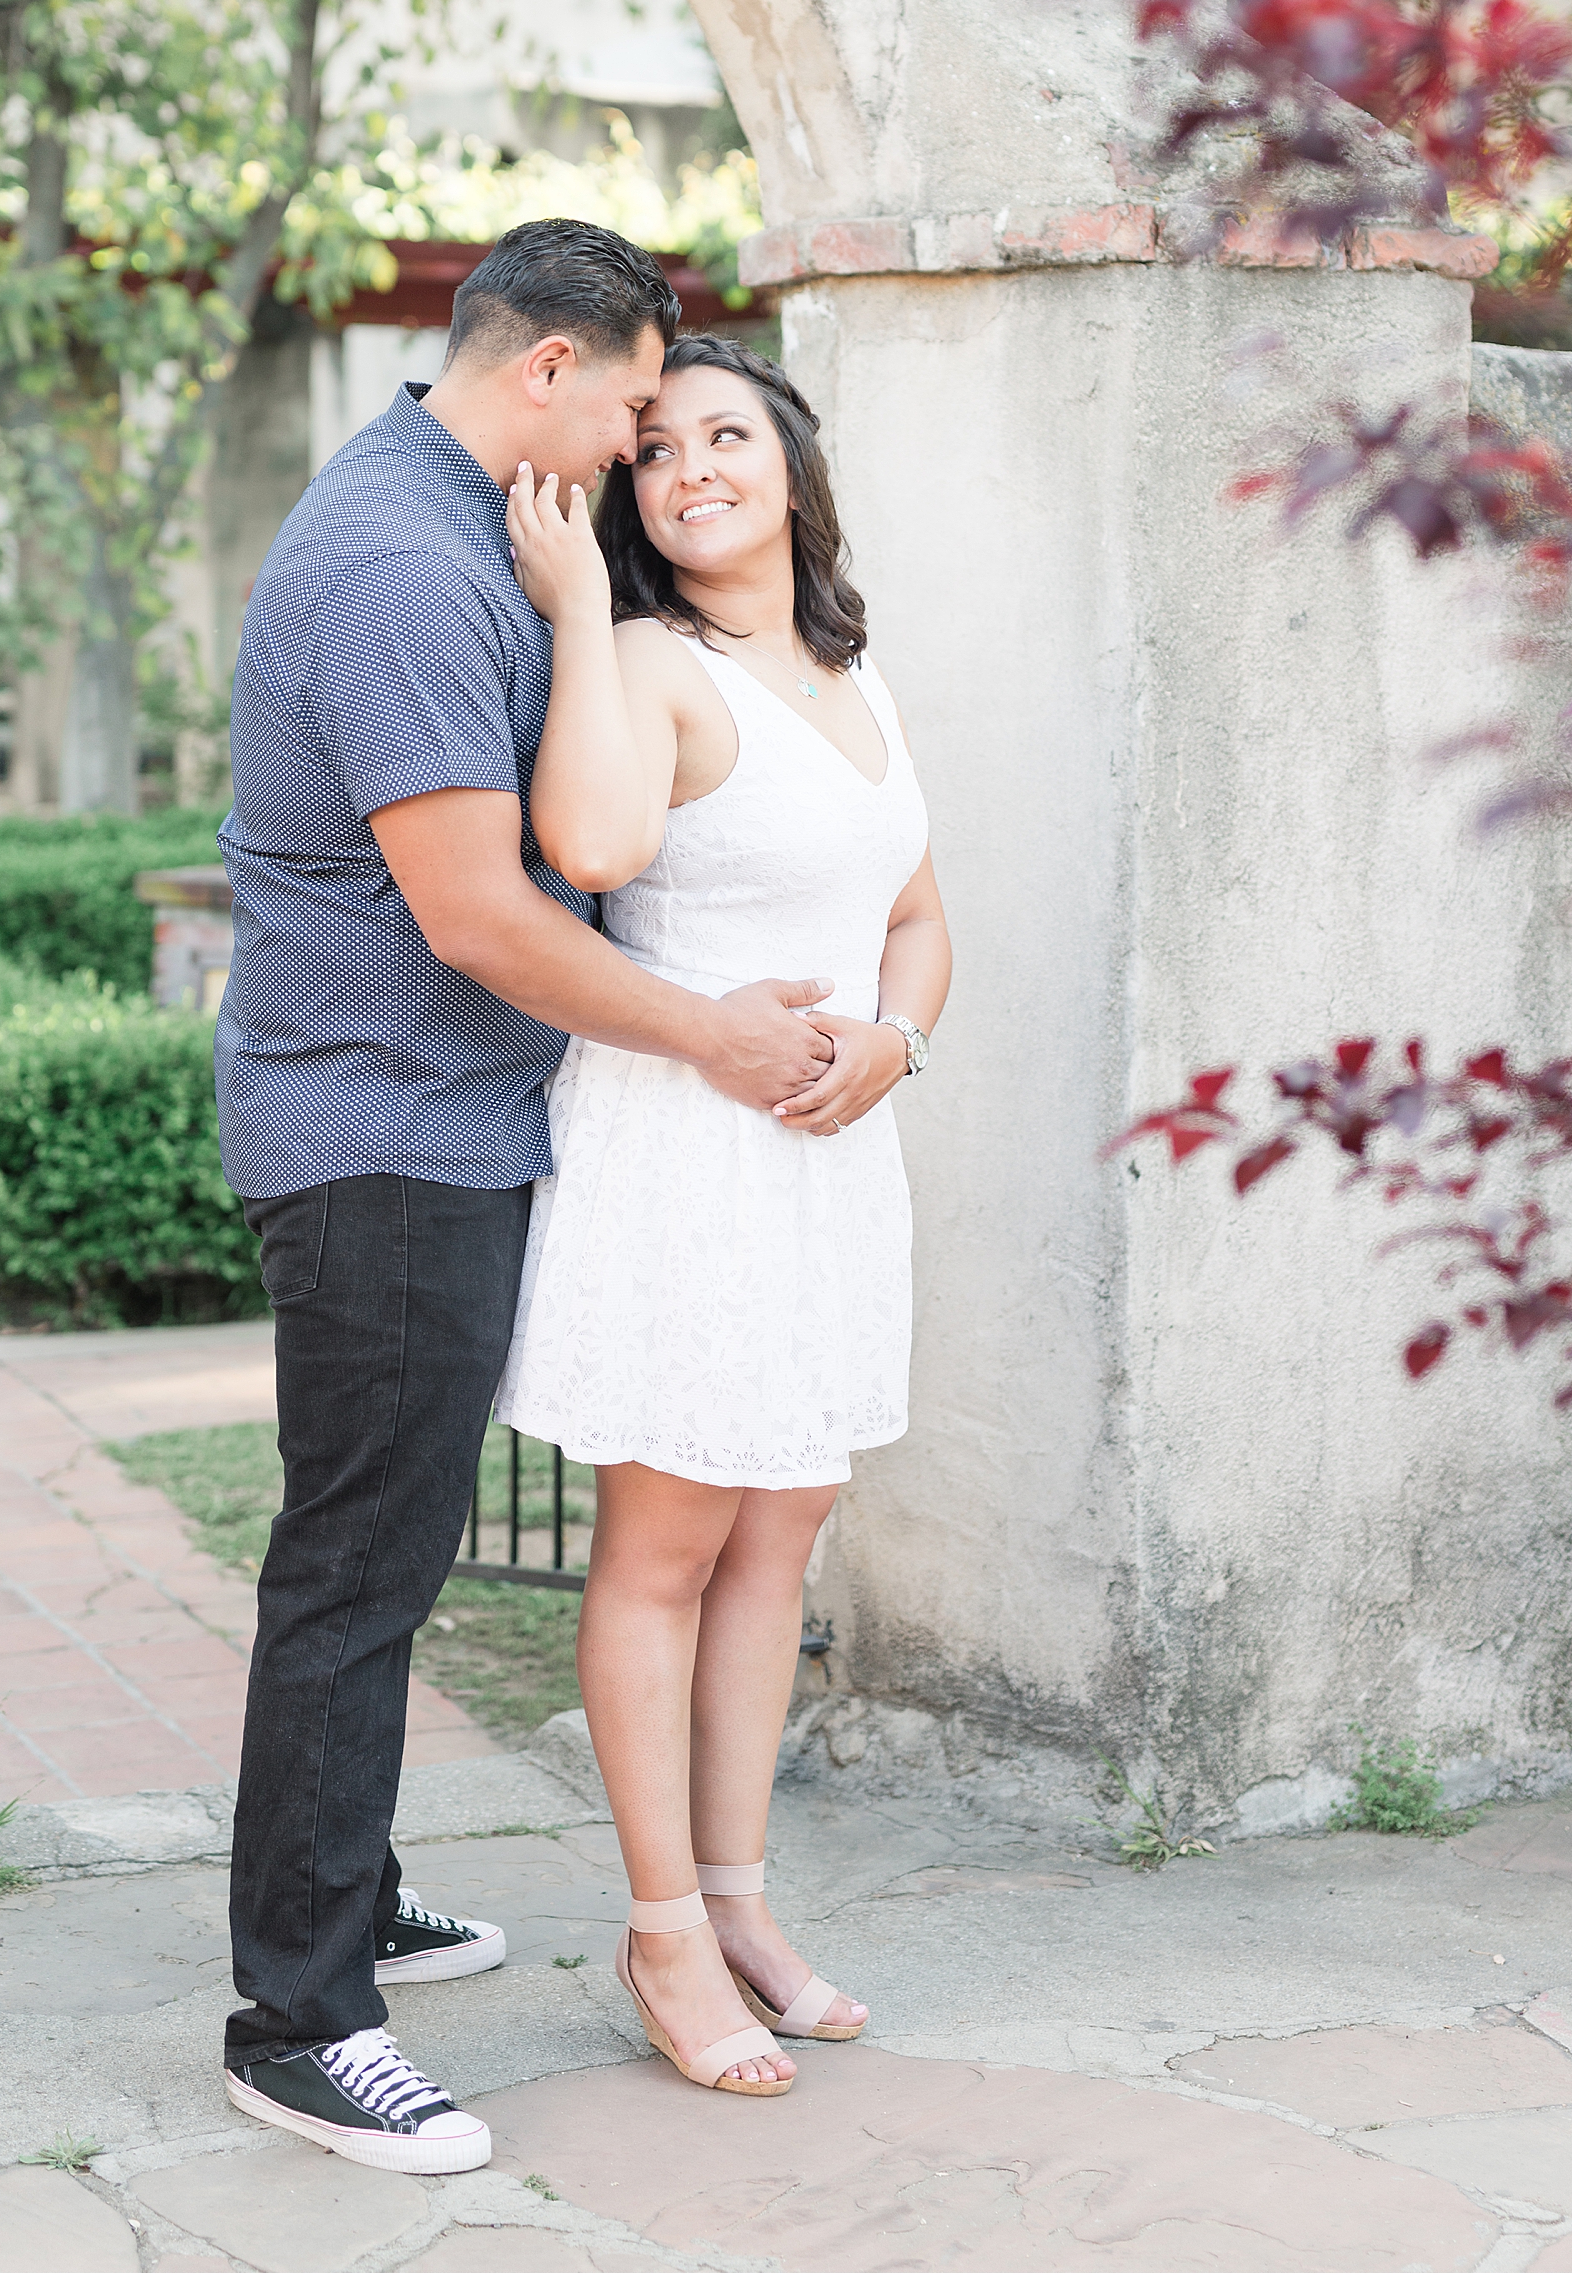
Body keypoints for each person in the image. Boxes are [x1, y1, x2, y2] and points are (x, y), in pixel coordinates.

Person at [213, 230, 840, 2172]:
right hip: (383, 1135)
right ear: (553, 369)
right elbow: (481, 913)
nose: (654, 441)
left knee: (376, 1558)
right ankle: (299, 2019)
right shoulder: (404, 559)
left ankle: (351, 1883)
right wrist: (711, 1040)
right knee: (357, 1571)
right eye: (642, 404)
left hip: (432, 1126)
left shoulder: (451, 509)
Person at [498, 335, 951, 2097]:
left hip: (833, 1159)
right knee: (668, 1551)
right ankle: (661, 1925)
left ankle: (746, 1900)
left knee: (782, 1544)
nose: (692, 464)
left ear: (789, 463)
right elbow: (598, 850)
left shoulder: (861, 675)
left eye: (727, 433)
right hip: (684, 1159)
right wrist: (563, 610)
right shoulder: (641, 657)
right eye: (661, 445)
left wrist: (897, 1042)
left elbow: (917, 912)